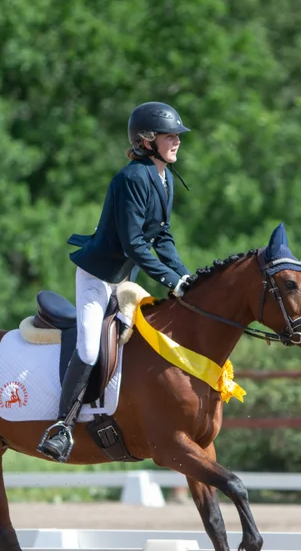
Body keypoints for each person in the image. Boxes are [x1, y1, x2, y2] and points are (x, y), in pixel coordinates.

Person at [36, 101, 194, 463]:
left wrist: (184, 276)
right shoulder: (130, 179)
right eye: (170, 136)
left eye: (177, 136)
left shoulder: (164, 178)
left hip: (123, 281)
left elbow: (163, 237)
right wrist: (170, 280)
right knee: (91, 348)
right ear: (148, 140)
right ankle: (61, 427)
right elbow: (134, 242)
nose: (177, 141)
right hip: (97, 278)